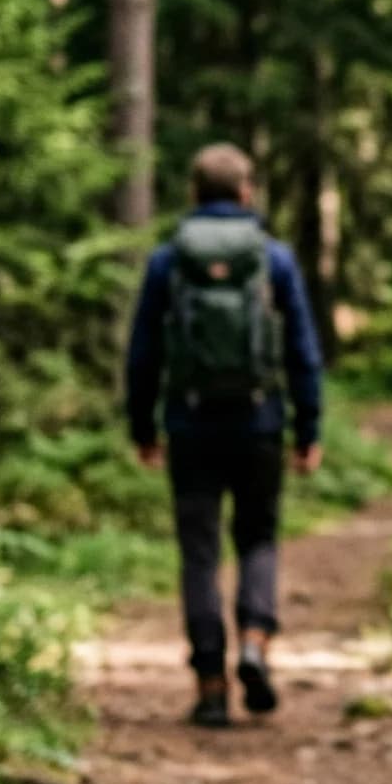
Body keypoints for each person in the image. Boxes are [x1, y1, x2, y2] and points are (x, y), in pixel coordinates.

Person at [124, 144, 324, 728]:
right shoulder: (274, 259)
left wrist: (143, 427)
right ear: (246, 192)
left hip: (190, 425)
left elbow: (143, 355)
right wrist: (307, 428)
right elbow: (303, 354)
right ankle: (257, 644)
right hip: (260, 421)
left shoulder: (168, 261)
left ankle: (211, 685)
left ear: (193, 194)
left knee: (200, 553)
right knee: (258, 538)